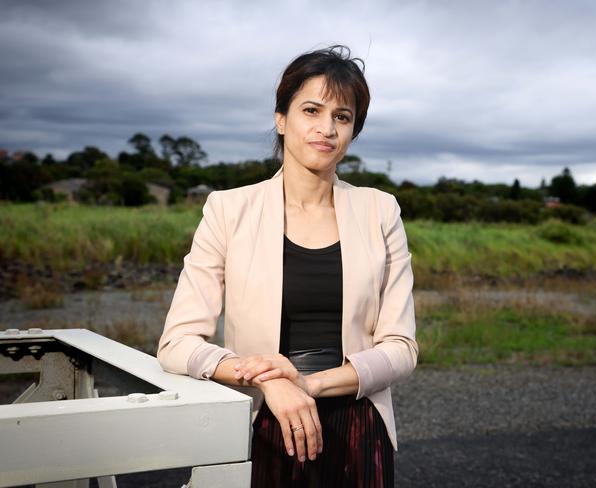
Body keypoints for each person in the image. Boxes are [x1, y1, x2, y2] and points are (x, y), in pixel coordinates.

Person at [157, 44, 418, 487]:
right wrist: (269, 380)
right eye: (311, 110)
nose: (327, 129)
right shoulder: (228, 209)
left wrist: (310, 385)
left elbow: (401, 347)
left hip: (357, 423)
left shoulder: (380, 210)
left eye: (342, 116)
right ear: (282, 119)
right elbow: (177, 343)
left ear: (354, 130)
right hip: (265, 420)